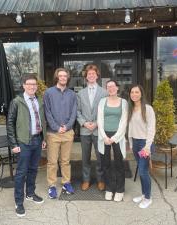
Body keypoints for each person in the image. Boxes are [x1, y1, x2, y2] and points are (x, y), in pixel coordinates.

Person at [7, 74, 46, 217]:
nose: (32, 86)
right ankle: (19, 202)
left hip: (37, 140)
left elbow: (42, 121)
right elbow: (10, 123)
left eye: (34, 84)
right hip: (23, 142)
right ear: (23, 85)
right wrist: (13, 144)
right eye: (29, 84)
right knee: (21, 173)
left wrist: (43, 138)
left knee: (33, 170)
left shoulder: (39, 100)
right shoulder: (17, 102)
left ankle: (30, 193)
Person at [43, 67, 77, 199]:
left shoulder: (72, 94)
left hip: (68, 132)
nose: (63, 78)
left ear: (67, 78)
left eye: (65, 76)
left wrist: (67, 126)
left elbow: (74, 112)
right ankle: (51, 185)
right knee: (52, 161)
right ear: (57, 77)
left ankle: (66, 183)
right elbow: (47, 112)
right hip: (53, 133)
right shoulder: (48, 93)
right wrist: (56, 127)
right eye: (60, 76)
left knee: (65, 161)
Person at [77, 64, 107, 191]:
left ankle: (101, 180)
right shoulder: (80, 93)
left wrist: (96, 123)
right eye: (89, 74)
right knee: (85, 157)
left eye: (93, 74)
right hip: (84, 130)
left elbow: (106, 111)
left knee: (100, 157)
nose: (91, 75)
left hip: (98, 129)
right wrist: (84, 123)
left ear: (97, 75)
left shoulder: (104, 92)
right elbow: (77, 111)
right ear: (86, 76)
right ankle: (86, 180)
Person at [97, 80, 128, 202]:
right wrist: (104, 137)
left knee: (119, 164)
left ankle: (120, 190)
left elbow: (124, 122)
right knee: (106, 164)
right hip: (104, 136)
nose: (111, 88)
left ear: (117, 88)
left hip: (118, 137)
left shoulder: (124, 102)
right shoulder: (102, 101)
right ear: (106, 89)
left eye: (113, 86)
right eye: (108, 87)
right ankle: (109, 188)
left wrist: (114, 138)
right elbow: (99, 119)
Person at [127, 84, 156, 209]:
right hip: (135, 143)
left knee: (143, 171)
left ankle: (148, 198)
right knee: (141, 170)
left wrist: (147, 147)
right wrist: (131, 143)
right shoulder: (131, 108)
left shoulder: (148, 109)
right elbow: (131, 128)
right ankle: (144, 195)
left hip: (144, 144)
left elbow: (151, 128)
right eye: (132, 92)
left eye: (136, 92)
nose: (134, 94)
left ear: (141, 94)